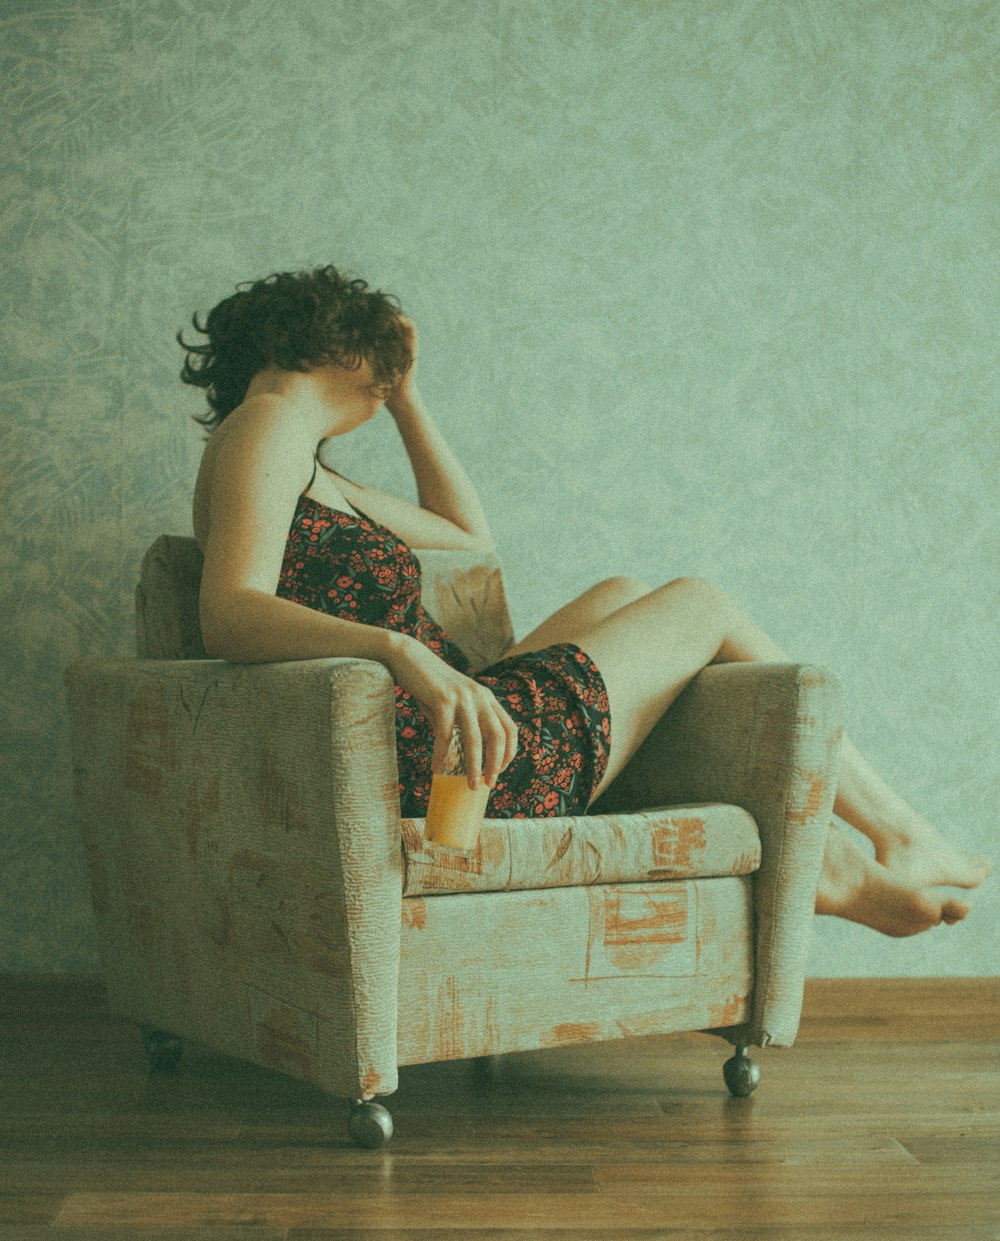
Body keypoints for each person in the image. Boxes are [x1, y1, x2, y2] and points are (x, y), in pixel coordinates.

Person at [180, 265, 990, 940]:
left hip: (459, 740)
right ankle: (891, 837)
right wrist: (401, 650)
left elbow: (466, 536)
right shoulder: (270, 419)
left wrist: (409, 399)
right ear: (342, 343)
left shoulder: (306, 463)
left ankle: (841, 868)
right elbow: (230, 610)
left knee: (624, 596)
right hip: (453, 760)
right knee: (701, 602)